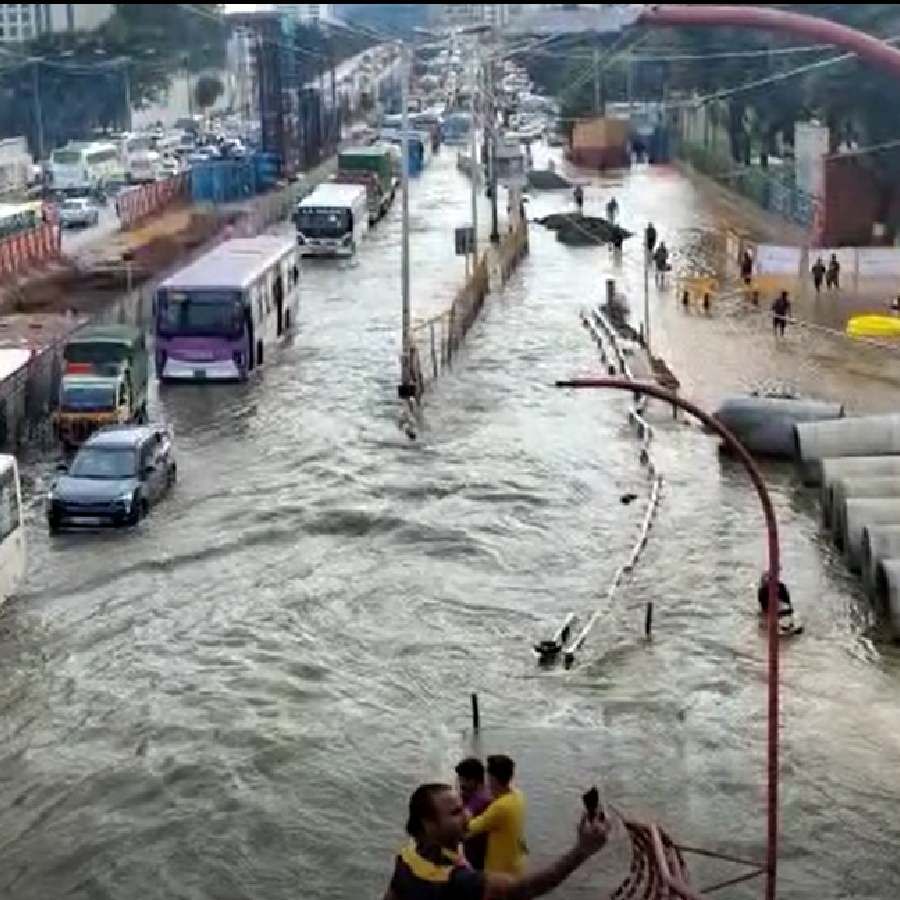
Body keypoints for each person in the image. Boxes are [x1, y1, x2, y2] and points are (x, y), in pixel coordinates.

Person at [384, 782, 609, 900]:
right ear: (428, 824)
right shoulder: (457, 881)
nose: (467, 815)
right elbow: (525, 889)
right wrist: (582, 850)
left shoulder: (407, 856)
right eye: (455, 813)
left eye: (464, 807)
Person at [466, 755, 527, 877]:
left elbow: (470, 828)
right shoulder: (519, 796)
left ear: (492, 778)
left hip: (500, 872)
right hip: (517, 865)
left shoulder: (500, 807)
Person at [456, 758, 491, 871]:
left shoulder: (482, 798)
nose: (461, 783)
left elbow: (463, 819)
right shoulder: (470, 794)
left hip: (481, 853)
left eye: (464, 779)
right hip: (472, 848)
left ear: (475, 780)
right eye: (460, 778)